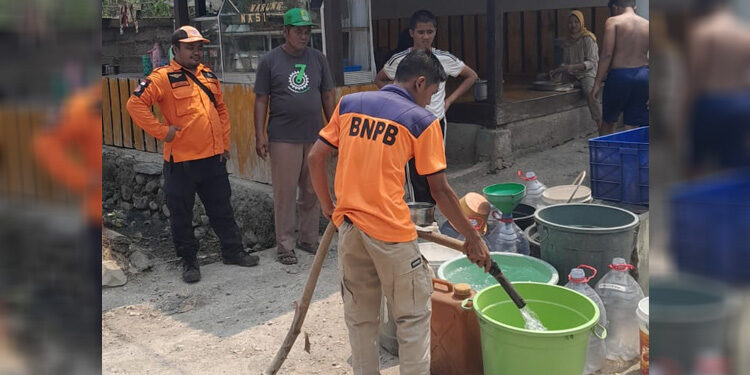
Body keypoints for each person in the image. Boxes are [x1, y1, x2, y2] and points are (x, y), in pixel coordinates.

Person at [308, 49, 491, 375]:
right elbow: (441, 191)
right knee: (412, 319)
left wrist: (328, 206)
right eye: (432, 93)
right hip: (391, 235)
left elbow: (315, 158)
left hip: (349, 229)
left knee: (361, 320)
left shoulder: (351, 104)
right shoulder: (422, 121)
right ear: (420, 82)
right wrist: (472, 237)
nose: (430, 101)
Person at [127, 25, 259, 283]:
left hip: (212, 159)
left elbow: (221, 110)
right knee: (181, 216)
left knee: (222, 209)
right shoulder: (162, 77)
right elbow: (135, 104)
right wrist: (163, 131)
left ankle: (232, 251)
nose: (196, 52)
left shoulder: (209, 76)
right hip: (181, 163)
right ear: (175, 49)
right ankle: (189, 262)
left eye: (199, 47)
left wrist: (223, 146)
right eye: (190, 48)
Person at [253, 8, 336, 265]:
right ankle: (285, 245)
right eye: (298, 31)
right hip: (283, 138)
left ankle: (308, 239)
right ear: (285, 32)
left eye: (307, 31)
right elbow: (261, 100)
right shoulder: (270, 61)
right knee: (285, 193)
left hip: (315, 136)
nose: (304, 36)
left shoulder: (318, 59)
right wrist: (259, 135)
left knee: (313, 191)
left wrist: (335, 131)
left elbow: (328, 96)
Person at [375, 10, 478, 204]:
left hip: (435, 122)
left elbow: (471, 76)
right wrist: (397, 100)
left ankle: (431, 214)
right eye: (421, 32)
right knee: (413, 173)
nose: (425, 37)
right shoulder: (399, 60)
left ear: (435, 32)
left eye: (429, 32)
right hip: (409, 124)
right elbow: (380, 79)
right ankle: (419, 215)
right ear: (412, 33)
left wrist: (449, 100)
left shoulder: (444, 59)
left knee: (435, 171)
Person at [683, 0, 750, 173]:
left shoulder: (703, 30)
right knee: (733, 165)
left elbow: (694, 76)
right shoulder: (745, 32)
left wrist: (683, 113)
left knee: (696, 164)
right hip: (741, 103)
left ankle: (698, 199)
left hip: (711, 101)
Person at [591, 0, 650, 135]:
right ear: (634, 6)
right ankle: (632, 156)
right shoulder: (647, 25)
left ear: (615, 7)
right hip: (643, 76)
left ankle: (606, 155)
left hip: (620, 76)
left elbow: (607, 54)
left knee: (609, 121)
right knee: (634, 124)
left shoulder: (613, 22)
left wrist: (597, 83)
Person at [550, 10, 602, 131]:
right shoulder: (567, 41)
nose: (573, 25)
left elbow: (592, 62)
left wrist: (573, 67)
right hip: (572, 74)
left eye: (576, 22)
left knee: (590, 93)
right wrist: (559, 69)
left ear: (581, 23)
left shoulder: (588, 38)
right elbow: (566, 62)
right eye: (570, 22)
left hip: (586, 74)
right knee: (548, 79)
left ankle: (600, 124)